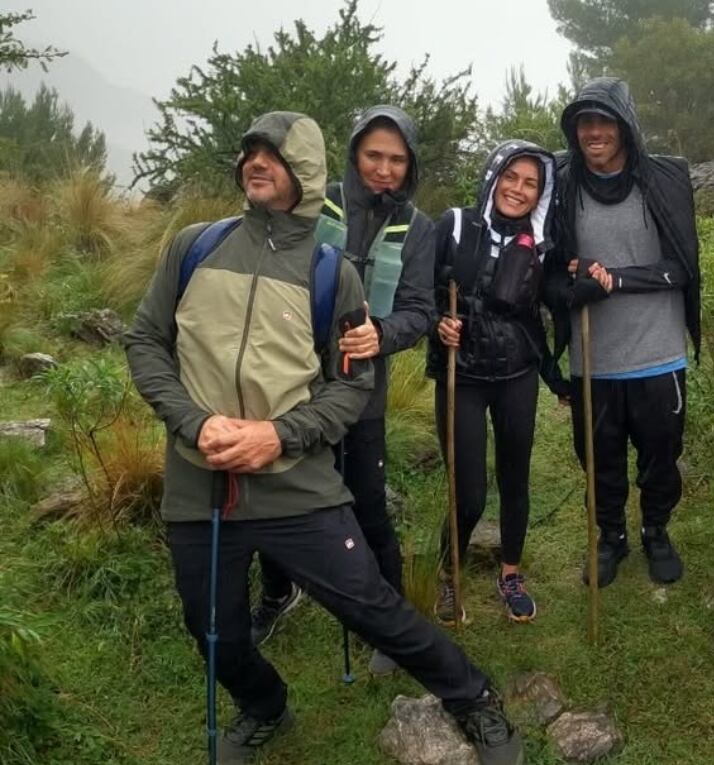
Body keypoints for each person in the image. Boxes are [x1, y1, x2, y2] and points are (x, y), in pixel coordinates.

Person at [123, 112, 522, 765]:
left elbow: (351, 385)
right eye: (251, 150)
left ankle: (472, 695)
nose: (257, 161)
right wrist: (196, 423)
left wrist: (277, 436)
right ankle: (264, 704)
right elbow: (145, 341)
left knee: (370, 603)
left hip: (294, 479)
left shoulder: (331, 272)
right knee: (210, 625)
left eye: (273, 155)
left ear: (302, 171)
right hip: (200, 478)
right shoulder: (194, 246)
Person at [250, 106, 436, 676]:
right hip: (291, 384)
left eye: (397, 159)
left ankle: (391, 618)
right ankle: (279, 593)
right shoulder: (315, 202)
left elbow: (421, 309)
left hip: (362, 393)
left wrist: (383, 333)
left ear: (410, 166)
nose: (384, 169)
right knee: (276, 498)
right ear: (355, 154)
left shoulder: (419, 228)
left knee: (368, 506)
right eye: (374, 155)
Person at [543, 77, 701, 587]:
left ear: (626, 126)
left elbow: (683, 266)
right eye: (584, 122)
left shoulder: (665, 179)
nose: (594, 131)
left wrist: (612, 279)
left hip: (659, 354)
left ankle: (657, 530)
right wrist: (574, 288)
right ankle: (610, 536)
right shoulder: (561, 184)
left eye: (604, 121)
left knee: (661, 457)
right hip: (595, 358)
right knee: (600, 459)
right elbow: (548, 273)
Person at [428, 140, 559, 624]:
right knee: (470, 491)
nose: (518, 190)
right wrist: (438, 323)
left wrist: (585, 276)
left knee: (515, 478)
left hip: (517, 373)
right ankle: (449, 575)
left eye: (531, 183)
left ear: (540, 194)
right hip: (461, 374)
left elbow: (557, 299)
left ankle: (510, 574)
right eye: (511, 177)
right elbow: (419, 295)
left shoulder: (542, 241)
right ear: (493, 177)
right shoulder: (456, 225)